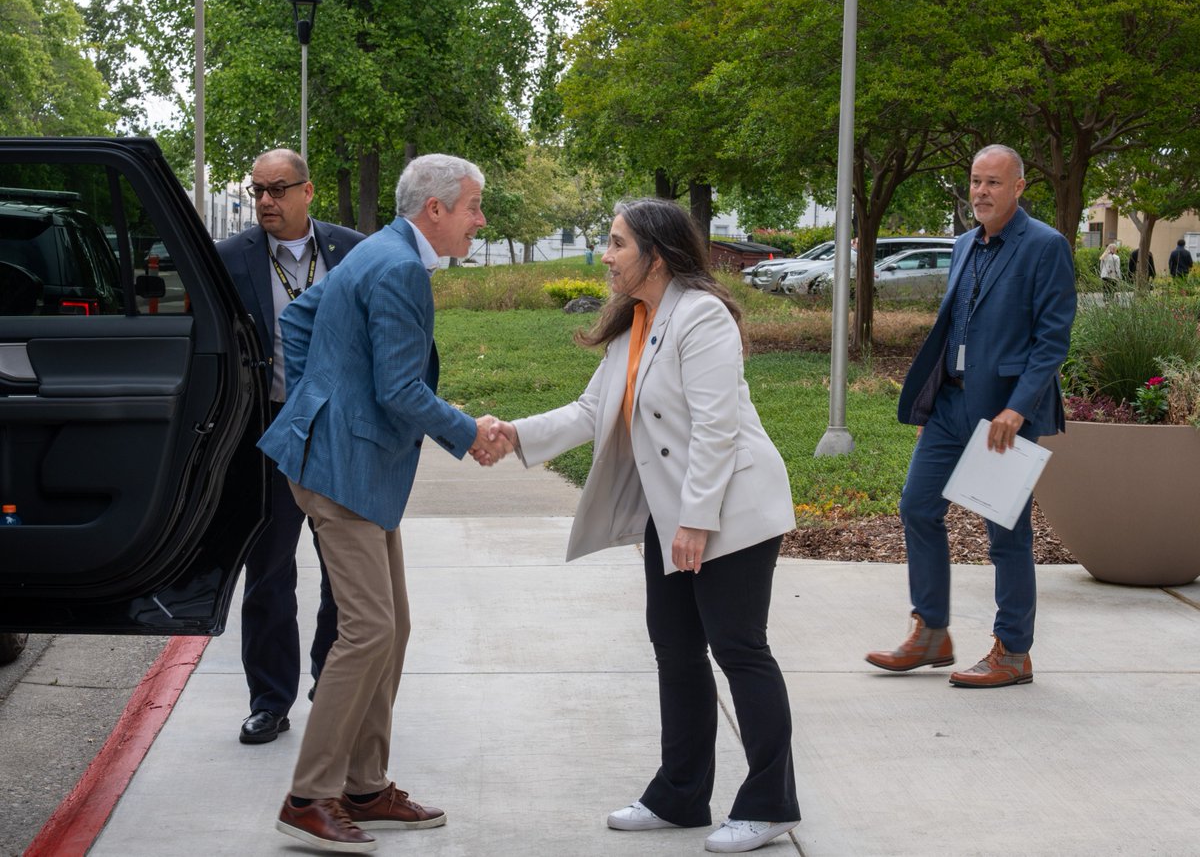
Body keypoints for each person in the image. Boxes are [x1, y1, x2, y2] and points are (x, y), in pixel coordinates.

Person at [492, 198, 801, 854]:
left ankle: (770, 803)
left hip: (730, 512)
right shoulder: (640, 322)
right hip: (680, 513)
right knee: (675, 647)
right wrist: (511, 434)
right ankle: (681, 795)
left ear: (656, 255)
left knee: (738, 647)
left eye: (616, 244)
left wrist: (695, 522)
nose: (606, 256)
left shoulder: (702, 316)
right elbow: (589, 411)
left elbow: (717, 429)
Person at [259, 154, 510, 852]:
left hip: (352, 461)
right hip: (342, 467)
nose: (480, 221)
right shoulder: (397, 266)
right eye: (473, 207)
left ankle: (365, 785)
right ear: (436, 209)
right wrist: (470, 431)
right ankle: (309, 797)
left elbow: (302, 320)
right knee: (369, 629)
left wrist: (322, 392)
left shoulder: (381, 250)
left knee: (390, 627)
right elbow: (402, 389)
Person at [865, 145, 1076, 689]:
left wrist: (1016, 407)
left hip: (1005, 414)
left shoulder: (1045, 247)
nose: (981, 192)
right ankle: (932, 631)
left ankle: (1013, 651)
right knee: (917, 506)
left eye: (993, 183)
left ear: (1019, 187)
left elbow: (1051, 341)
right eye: (975, 182)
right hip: (951, 404)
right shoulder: (963, 245)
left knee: (1005, 534)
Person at [218, 148, 365, 745]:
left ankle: (332, 688)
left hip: (338, 433)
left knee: (345, 573)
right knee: (270, 570)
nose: (265, 202)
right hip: (271, 432)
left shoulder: (353, 252)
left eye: (278, 189)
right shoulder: (230, 260)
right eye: (257, 190)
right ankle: (269, 700)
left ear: (308, 192)